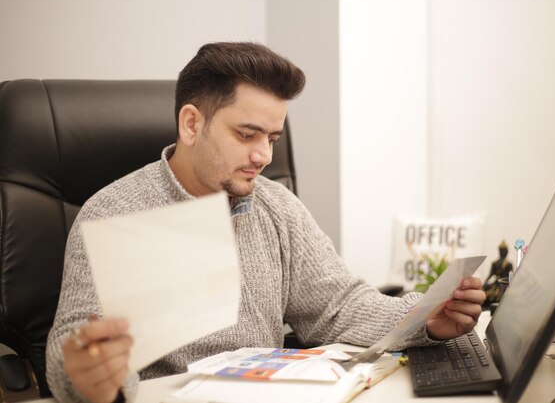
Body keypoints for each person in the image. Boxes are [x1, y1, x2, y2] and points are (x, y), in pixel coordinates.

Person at [46, 42, 486, 403]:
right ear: (191, 123)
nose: (264, 156)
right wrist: (87, 376)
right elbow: (70, 347)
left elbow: (338, 307)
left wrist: (425, 319)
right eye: (246, 134)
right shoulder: (112, 213)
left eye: (272, 139)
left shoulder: (276, 205)